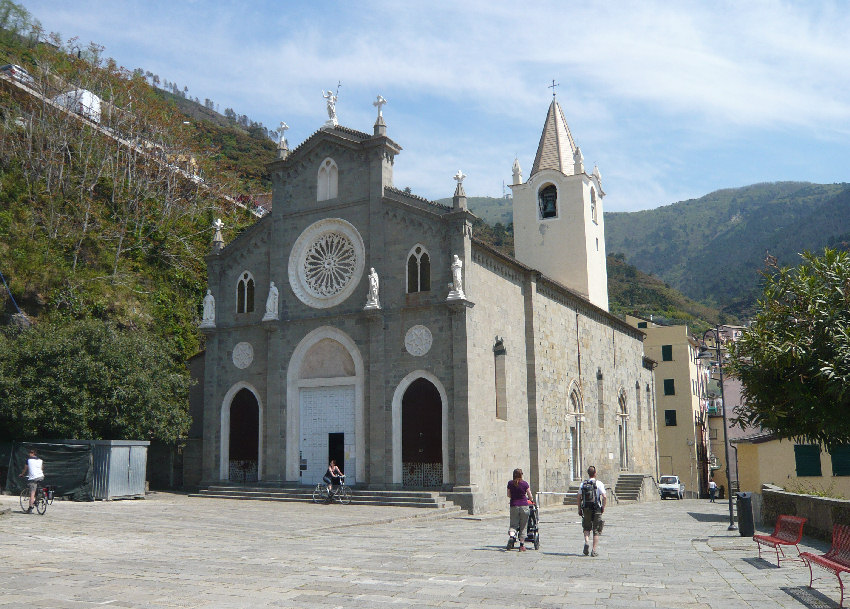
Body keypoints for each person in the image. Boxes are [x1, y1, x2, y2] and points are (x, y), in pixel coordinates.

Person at [577, 465, 606, 557]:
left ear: (588, 473)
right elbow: (604, 496)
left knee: (586, 528)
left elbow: (578, 497)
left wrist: (579, 509)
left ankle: (586, 542)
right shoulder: (599, 483)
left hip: (586, 508)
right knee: (596, 530)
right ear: (595, 473)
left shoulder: (583, 484)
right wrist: (603, 507)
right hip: (596, 508)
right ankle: (593, 550)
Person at [507, 468, 533, 552]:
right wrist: (531, 500)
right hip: (524, 506)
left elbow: (508, 495)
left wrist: (514, 498)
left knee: (513, 524)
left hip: (514, 505)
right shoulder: (525, 484)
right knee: (523, 526)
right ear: (521, 474)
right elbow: (530, 495)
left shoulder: (510, 483)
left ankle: (512, 536)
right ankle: (521, 545)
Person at [19, 448, 44, 514]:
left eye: (30, 452)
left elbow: (25, 469)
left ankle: (30, 508)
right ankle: (38, 498)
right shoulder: (40, 460)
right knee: (38, 489)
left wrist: (22, 474)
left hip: (33, 478)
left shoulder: (28, 460)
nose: (29, 454)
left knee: (32, 493)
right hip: (41, 476)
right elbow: (41, 468)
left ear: (33, 454)